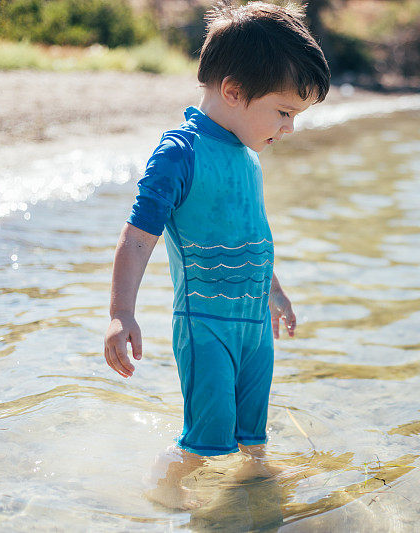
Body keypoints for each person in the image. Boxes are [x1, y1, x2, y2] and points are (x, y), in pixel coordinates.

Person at [103, 0, 330, 508]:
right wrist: (121, 314)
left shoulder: (247, 153)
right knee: (205, 439)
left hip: (253, 325)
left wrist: (275, 291)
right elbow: (138, 236)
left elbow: (254, 233)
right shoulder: (179, 152)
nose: (289, 128)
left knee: (253, 432)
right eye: (284, 112)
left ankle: (257, 478)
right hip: (206, 325)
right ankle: (164, 493)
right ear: (232, 90)